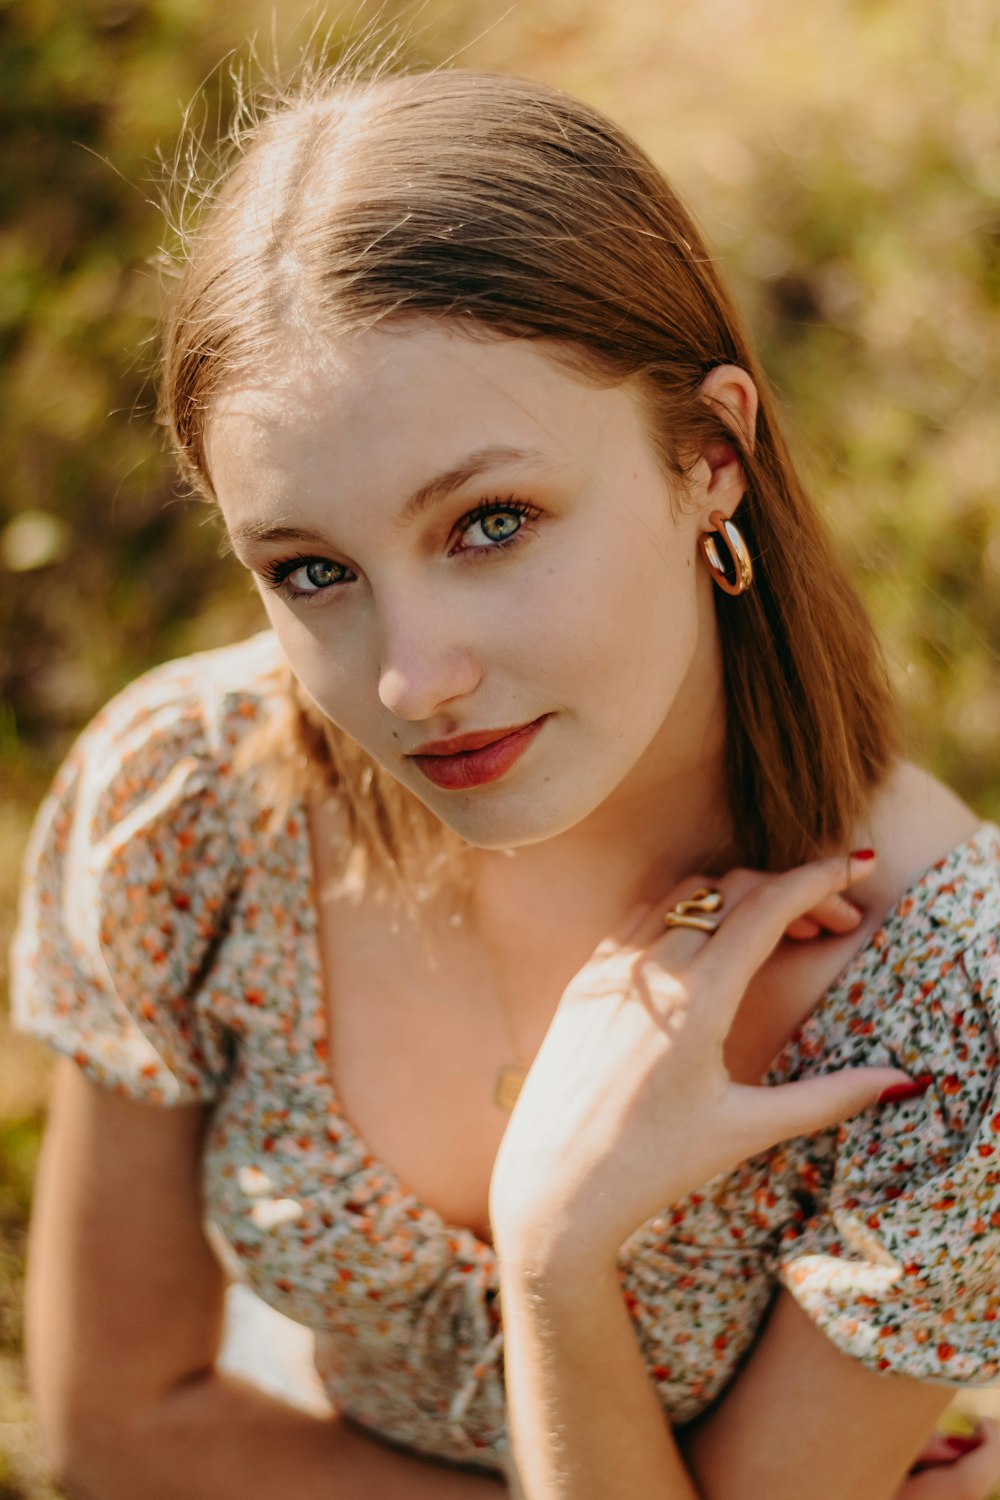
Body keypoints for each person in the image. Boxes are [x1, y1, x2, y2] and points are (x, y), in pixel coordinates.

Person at [10, 64, 1000, 1500]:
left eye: (491, 522)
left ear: (711, 455)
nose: (412, 682)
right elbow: (118, 1426)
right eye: (312, 571)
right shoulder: (188, 803)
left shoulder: (950, 1002)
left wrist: (554, 1253)